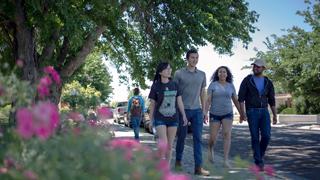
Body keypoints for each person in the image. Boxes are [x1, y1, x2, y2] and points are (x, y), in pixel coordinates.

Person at [174, 49, 210, 176]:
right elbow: (175, 93)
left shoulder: (202, 74)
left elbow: (202, 92)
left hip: (197, 111)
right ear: (187, 59)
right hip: (182, 110)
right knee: (181, 138)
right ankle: (178, 162)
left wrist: (205, 110)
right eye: (192, 57)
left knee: (198, 139)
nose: (194, 60)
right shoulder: (178, 74)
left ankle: (198, 168)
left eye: (196, 57)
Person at [238, 58, 277, 171]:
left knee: (266, 136)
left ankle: (259, 155)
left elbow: (272, 100)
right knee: (255, 137)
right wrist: (242, 113)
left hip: (264, 112)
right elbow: (241, 98)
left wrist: (274, 115)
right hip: (252, 112)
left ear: (263, 68)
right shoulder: (247, 80)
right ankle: (259, 162)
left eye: (258, 66)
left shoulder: (268, 82)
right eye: (254, 66)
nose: (255, 68)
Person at [148, 62, 188, 164]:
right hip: (160, 118)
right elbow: (152, 104)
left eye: (170, 68)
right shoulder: (156, 86)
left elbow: (179, 101)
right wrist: (151, 120)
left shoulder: (174, 84)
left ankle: (166, 169)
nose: (170, 71)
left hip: (173, 119)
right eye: (167, 69)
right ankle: (157, 163)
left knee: (169, 147)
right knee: (164, 144)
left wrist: (183, 115)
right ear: (160, 72)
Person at [204, 66, 241, 168]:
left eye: (224, 72)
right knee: (213, 137)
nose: (222, 74)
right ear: (217, 74)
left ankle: (225, 160)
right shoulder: (213, 85)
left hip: (228, 113)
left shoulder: (231, 86)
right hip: (214, 114)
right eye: (220, 72)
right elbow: (208, 100)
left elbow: (236, 100)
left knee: (227, 134)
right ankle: (210, 149)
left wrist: (242, 113)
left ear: (227, 74)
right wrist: (205, 113)